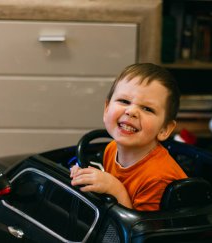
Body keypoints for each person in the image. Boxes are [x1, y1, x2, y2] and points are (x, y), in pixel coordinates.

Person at [70, 63, 187, 211]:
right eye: (124, 101)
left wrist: (115, 188)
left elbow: (142, 231)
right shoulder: (111, 148)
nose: (131, 111)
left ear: (164, 129)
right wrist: (85, 176)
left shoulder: (158, 178)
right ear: (107, 109)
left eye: (147, 109)